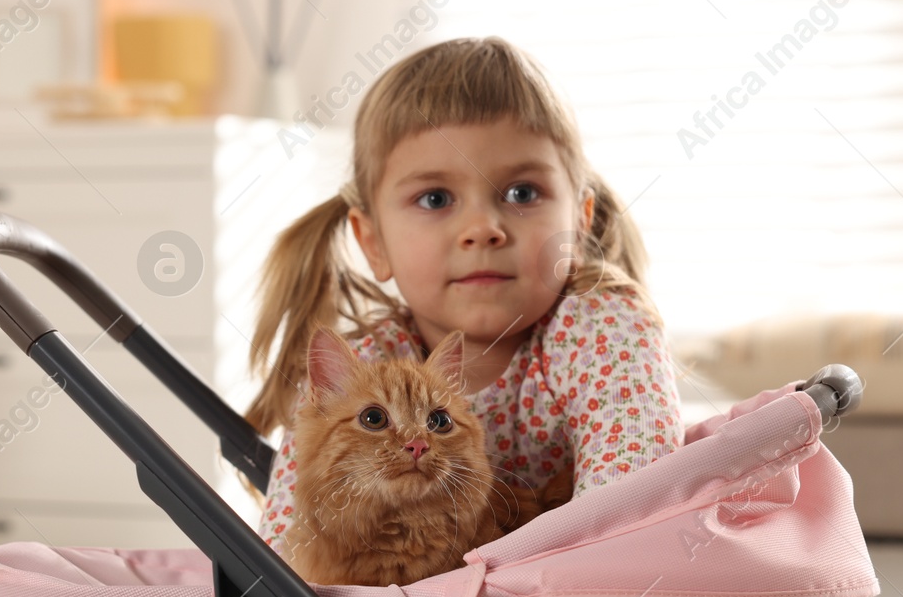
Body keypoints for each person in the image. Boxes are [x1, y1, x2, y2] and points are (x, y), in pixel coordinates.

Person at [245, 35, 682, 553]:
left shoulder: (603, 326)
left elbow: (630, 520)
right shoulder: (360, 370)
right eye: (435, 198)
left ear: (579, 225)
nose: (482, 228)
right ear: (374, 243)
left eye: (522, 193)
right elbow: (288, 554)